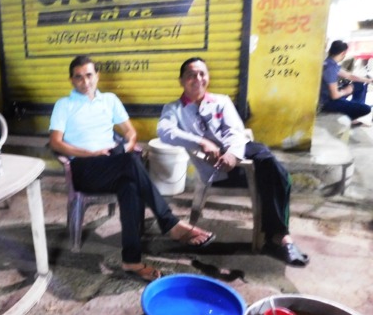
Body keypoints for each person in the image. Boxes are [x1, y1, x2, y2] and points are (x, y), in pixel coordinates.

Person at [49, 55, 215, 282]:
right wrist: (91, 153)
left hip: (112, 162)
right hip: (83, 167)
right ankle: (169, 222)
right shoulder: (64, 105)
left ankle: (131, 260)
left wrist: (126, 146)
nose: (85, 82)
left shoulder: (109, 100)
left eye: (89, 75)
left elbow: (130, 133)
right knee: (130, 163)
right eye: (78, 77)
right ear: (71, 80)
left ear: (97, 76)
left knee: (130, 186)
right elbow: (56, 143)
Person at [158, 57, 309, 267]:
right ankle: (279, 237)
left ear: (208, 77)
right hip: (218, 171)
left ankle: (280, 236)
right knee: (277, 175)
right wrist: (201, 142)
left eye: (202, 74)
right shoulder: (174, 109)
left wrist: (232, 154)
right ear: (181, 81)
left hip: (239, 156)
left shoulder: (221, 101)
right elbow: (165, 131)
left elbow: (235, 132)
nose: (198, 79)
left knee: (272, 167)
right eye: (191, 75)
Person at [318, 40, 373, 125]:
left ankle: (352, 109)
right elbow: (335, 95)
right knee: (366, 109)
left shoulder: (330, 62)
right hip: (327, 102)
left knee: (359, 84)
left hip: (330, 95)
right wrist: (347, 90)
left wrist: (369, 80)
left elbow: (350, 76)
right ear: (343, 53)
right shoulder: (330, 68)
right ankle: (350, 116)